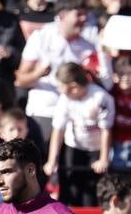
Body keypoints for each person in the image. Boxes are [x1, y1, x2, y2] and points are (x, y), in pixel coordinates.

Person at [14, 0, 98, 142]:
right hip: (45, 111)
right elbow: (20, 80)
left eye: (85, 14)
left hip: (76, 116)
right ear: (62, 15)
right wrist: (39, 73)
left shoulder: (88, 46)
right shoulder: (41, 37)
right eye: (78, 14)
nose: (83, 19)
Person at [44, 62, 115, 206]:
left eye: (61, 86)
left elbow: (106, 130)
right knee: (70, 190)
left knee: (90, 193)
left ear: (74, 87)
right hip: (74, 146)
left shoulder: (100, 98)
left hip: (95, 148)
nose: (59, 90)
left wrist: (103, 159)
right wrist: (52, 160)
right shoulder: (65, 99)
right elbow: (58, 130)